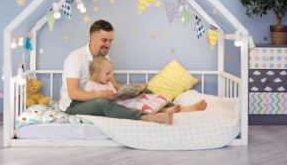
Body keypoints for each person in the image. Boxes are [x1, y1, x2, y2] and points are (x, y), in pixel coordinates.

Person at [59, 19, 207, 125]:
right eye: (105, 40)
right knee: (102, 104)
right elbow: (73, 93)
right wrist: (101, 94)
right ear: (93, 38)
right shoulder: (76, 57)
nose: (108, 45)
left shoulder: (105, 58)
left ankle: (176, 109)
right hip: (74, 104)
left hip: (98, 97)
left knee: (145, 90)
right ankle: (146, 117)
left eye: (111, 41)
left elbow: (114, 85)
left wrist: (133, 89)